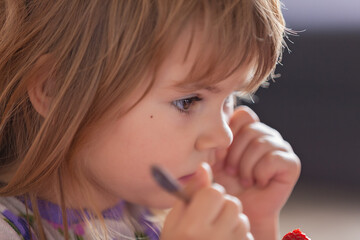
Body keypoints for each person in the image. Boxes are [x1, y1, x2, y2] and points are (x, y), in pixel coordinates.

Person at [0, 0, 301, 239]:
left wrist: (253, 221)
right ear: (57, 88)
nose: (224, 136)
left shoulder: (162, 215)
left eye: (230, 98)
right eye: (188, 101)